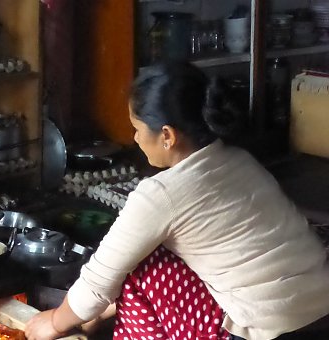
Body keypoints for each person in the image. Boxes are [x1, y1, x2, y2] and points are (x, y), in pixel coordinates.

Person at [24, 62, 329, 340]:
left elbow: (97, 280)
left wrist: (53, 322)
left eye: (138, 129)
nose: (135, 139)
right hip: (321, 309)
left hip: (270, 330)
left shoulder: (162, 195)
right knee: (151, 250)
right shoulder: (239, 159)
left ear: (167, 135)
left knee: (139, 262)